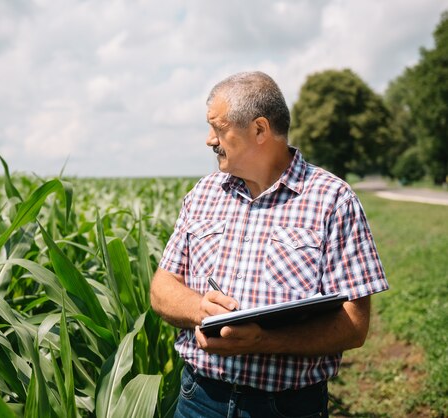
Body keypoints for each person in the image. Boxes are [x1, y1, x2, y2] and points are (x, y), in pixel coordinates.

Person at [150, 71, 389, 418]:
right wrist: (201, 310)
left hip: (287, 407)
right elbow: (162, 287)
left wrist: (263, 341)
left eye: (218, 128)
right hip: (198, 398)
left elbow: (353, 325)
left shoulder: (332, 199)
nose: (208, 139)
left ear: (259, 130)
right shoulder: (202, 194)